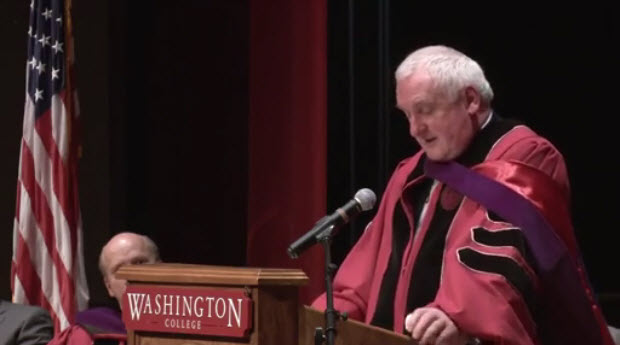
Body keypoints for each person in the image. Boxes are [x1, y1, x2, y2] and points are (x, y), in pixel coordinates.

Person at [312, 45, 613, 345]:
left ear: (470, 100)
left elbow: (504, 255)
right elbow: (366, 269)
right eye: (407, 115)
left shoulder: (524, 158)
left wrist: (458, 315)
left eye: (425, 110)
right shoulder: (411, 173)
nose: (415, 129)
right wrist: (325, 317)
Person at [49, 232, 160, 344]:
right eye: (119, 269)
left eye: (139, 262)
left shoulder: (176, 324)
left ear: (162, 267)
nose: (131, 275)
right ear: (109, 287)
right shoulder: (87, 336)